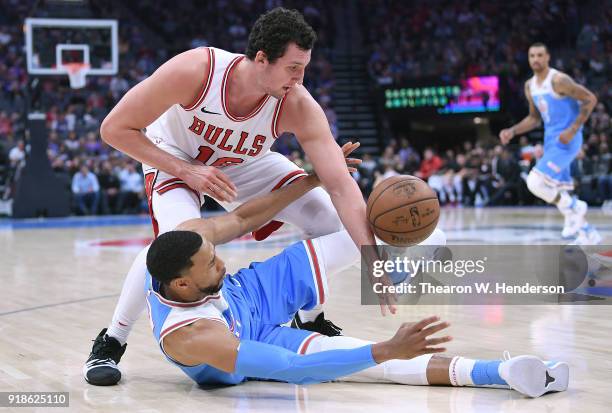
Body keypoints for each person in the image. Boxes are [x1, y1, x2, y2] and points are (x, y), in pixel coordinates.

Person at [84, 7, 418, 385]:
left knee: (330, 221)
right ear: (262, 59)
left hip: (244, 164)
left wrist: (372, 259)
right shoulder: (197, 70)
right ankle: (112, 340)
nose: (300, 77)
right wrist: (186, 171)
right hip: (175, 157)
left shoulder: (297, 103)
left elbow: (341, 184)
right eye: (293, 67)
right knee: (176, 244)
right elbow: (114, 129)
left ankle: (310, 318)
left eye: (305, 67)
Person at [140, 170, 568, 398]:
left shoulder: (179, 249)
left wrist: (314, 177)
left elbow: (244, 218)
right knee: (379, 366)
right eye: (211, 264)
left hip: (255, 293)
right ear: (180, 285)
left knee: (358, 234)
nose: (223, 261)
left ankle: (398, 266)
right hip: (260, 339)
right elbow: (294, 370)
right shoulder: (194, 337)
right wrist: (387, 348)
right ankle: (502, 372)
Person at [499, 42, 600, 244]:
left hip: (568, 139)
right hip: (551, 140)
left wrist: (573, 129)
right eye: (531, 56)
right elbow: (534, 118)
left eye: (539, 55)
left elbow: (590, 98)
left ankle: (575, 207)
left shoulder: (559, 80)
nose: (535, 59)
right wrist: (513, 131)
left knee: (535, 182)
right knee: (558, 189)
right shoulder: (530, 86)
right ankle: (587, 232)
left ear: (547, 57)